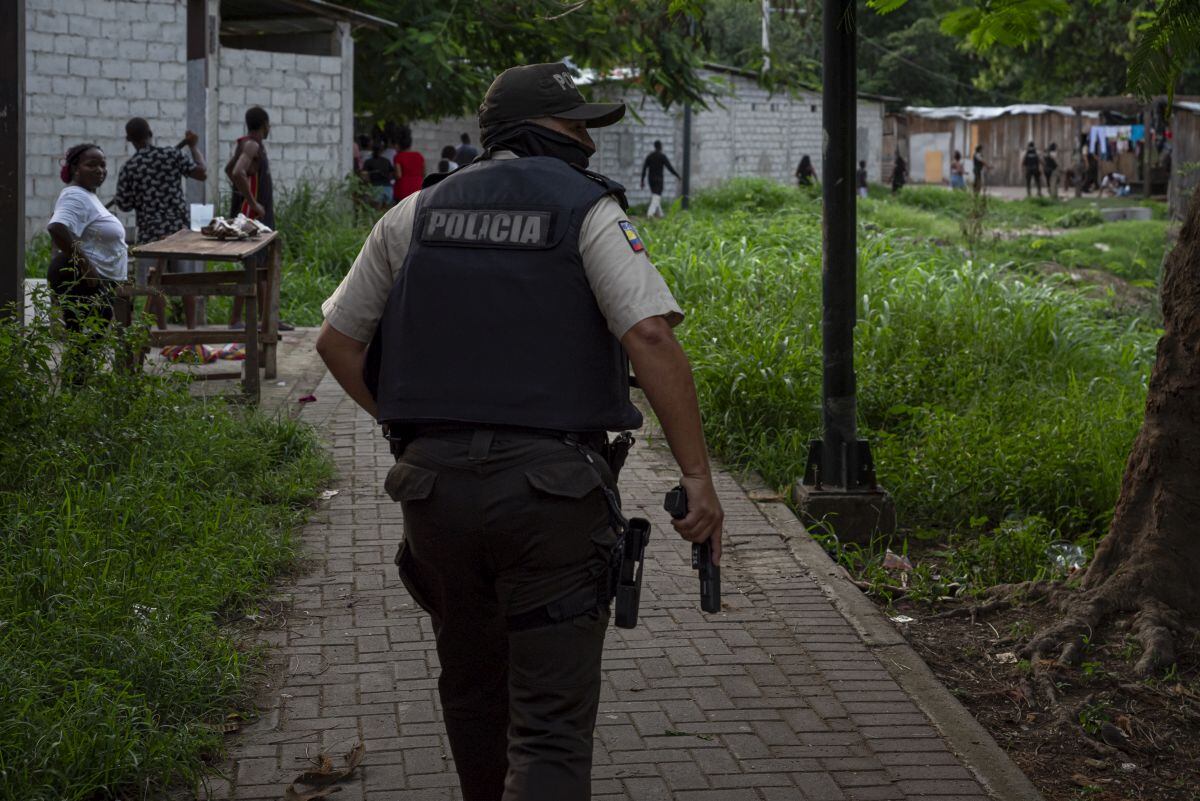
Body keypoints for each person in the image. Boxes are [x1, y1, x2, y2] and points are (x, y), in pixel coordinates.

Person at [315, 61, 724, 801]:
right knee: (550, 727)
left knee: (473, 694)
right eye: (577, 127)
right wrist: (698, 478)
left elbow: (336, 343)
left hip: (432, 493)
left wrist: (408, 426)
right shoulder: (587, 210)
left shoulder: (415, 212)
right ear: (542, 130)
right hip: (551, 497)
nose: (588, 145)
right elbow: (652, 339)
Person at [110, 117, 208, 329]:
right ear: (150, 133)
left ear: (129, 139)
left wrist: (138, 195)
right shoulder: (171, 155)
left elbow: (124, 205)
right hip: (177, 232)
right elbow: (202, 172)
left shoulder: (130, 167)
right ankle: (191, 331)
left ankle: (162, 332)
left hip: (150, 235)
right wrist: (193, 147)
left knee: (154, 285)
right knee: (185, 281)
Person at [46, 143, 128, 334]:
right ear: (75, 168)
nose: (100, 170)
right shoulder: (75, 195)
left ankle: (76, 365)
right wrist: (87, 266)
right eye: (91, 165)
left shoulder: (87, 195)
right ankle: (76, 365)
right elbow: (57, 227)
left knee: (87, 340)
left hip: (92, 280)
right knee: (87, 339)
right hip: (81, 279)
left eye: (103, 165)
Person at [226, 106, 290, 330]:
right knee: (254, 268)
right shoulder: (252, 144)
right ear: (264, 124)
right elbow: (236, 172)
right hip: (254, 217)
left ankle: (266, 319)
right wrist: (252, 203)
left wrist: (242, 196)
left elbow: (228, 169)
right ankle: (237, 319)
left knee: (260, 269)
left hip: (254, 216)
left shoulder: (246, 144)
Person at [640, 140, 679, 218]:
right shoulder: (662, 156)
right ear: (660, 146)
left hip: (651, 179)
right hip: (659, 179)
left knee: (655, 196)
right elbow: (669, 167)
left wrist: (642, 181)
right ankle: (650, 214)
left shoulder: (650, 156)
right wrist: (677, 175)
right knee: (657, 196)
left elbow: (644, 169)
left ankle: (660, 214)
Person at [393, 127, 424, 202]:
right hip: (418, 188)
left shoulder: (398, 157)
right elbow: (424, 173)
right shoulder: (419, 156)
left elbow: (398, 175)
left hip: (403, 189)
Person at [362, 142, 395, 208]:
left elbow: (364, 177)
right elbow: (392, 175)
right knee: (386, 211)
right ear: (382, 150)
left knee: (376, 210)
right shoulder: (387, 161)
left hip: (375, 187)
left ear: (372, 150)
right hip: (388, 188)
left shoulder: (368, 162)